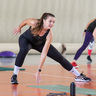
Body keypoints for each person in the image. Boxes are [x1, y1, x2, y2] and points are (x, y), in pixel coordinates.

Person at [11, 13, 91, 84]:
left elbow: (44, 53)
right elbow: (25, 21)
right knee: (23, 49)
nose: (52, 23)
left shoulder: (49, 34)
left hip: (39, 43)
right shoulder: (34, 22)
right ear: (44, 20)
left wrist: (39, 70)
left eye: (53, 22)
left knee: (60, 58)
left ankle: (78, 76)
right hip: (26, 39)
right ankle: (14, 75)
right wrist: (19, 27)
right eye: (50, 21)